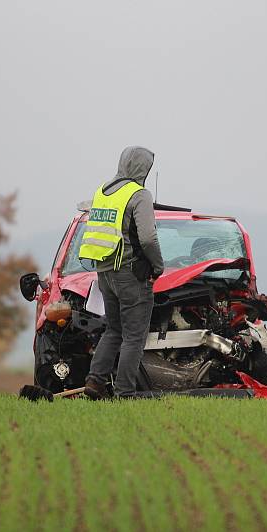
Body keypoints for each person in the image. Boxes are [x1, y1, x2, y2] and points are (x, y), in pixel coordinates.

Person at [78, 146, 164, 399]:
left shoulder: (102, 191)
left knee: (113, 330)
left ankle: (94, 382)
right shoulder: (139, 195)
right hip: (130, 275)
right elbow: (148, 238)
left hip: (104, 273)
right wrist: (158, 267)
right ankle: (125, 393)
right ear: (143, 168)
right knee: (134, 337)